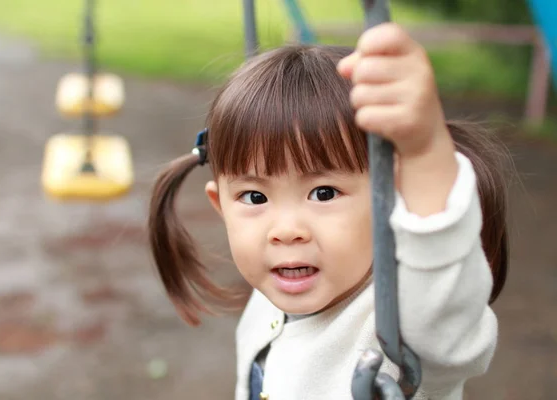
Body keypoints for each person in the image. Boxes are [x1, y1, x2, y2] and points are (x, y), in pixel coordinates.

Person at [148, 23, 510, 400]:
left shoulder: (400, 328)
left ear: (394, 200)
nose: (286, 230)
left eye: (323, 193)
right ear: (220, 206)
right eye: (255, 198)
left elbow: (446, 316)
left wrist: (424, 153)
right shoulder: (267, 300)